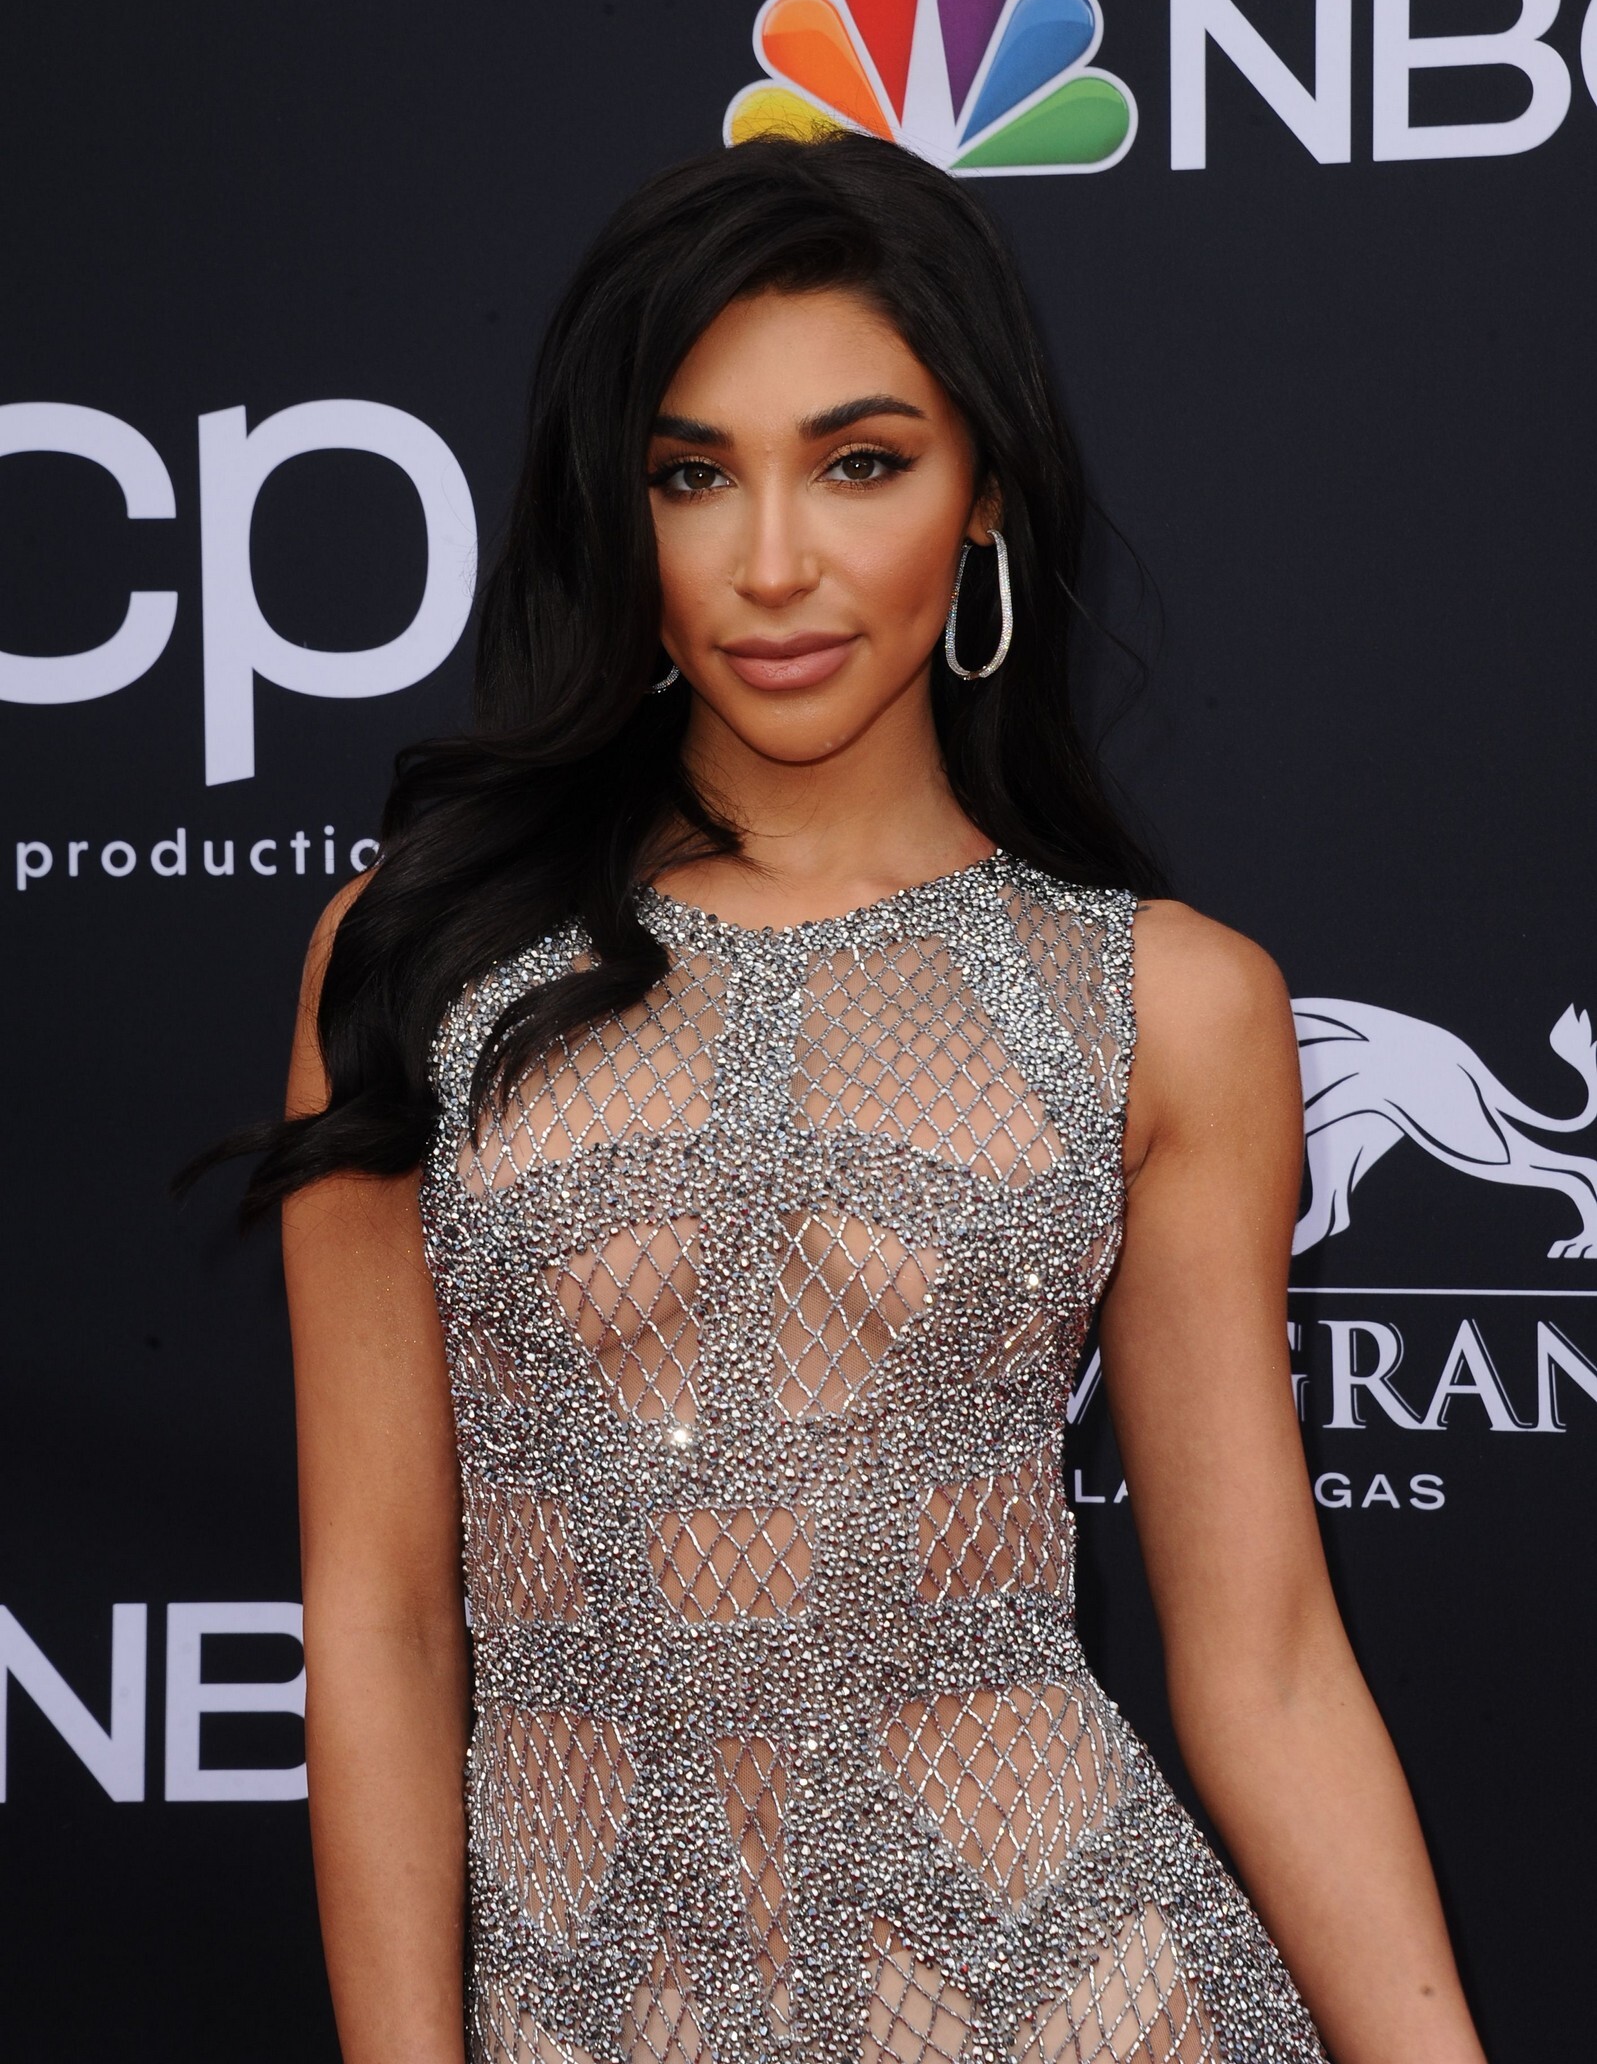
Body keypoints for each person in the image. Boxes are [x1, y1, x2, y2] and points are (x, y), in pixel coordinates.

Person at [262, 134, 1486, 2064]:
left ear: (980, 492)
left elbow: (1261, 1664)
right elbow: (382, 1620)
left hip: (1072, 1990)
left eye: (859, 463)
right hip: (595, 2003)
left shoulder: (1169, 1003)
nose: (771, 563)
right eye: (690, 474)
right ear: (614, 509)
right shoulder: (415, 958)